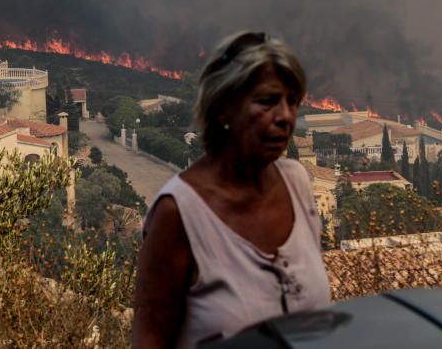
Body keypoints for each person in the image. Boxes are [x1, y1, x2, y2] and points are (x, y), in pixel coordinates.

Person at [132, 31, 330, 348]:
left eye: (292, 102)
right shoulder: (178, 213)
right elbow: (150, 339)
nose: (285, 117)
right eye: (267, 101)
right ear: (223, 107)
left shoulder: (297, 183)